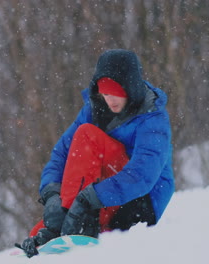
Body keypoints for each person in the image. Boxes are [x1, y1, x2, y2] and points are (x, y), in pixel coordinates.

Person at [15, 49, 174, 258]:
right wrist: (52, 194)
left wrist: (88, 199)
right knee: (41, 233)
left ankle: (75, 225)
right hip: (101, 197)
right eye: (106, 93)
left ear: (131, 88)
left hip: (139, 202)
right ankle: (69, 231)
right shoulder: (94, 109)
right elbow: (61, 155)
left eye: (117, 92)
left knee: (87, 136)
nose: (111, 100)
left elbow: (142, 176)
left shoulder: (153, 118)